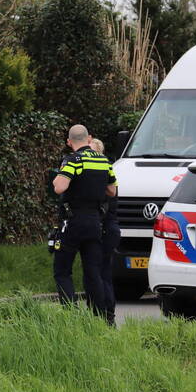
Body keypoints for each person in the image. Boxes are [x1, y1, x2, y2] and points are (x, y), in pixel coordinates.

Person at [52, 125, 116, 323]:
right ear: (89, 139)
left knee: (62, 271)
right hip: (95, 222)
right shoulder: (104, 161)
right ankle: (99, 317)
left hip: (73, 222)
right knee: (93, 272)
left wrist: (59, 176)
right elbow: (112, 191)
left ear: (69, 142)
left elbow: (59, 187)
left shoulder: (73, 160)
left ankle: (71, 316)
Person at [90, 138, 121, 318]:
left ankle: (105, 312)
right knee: (102, 271)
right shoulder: (108, 174)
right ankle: (104, 311)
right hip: (108, 228)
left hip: (105, 229)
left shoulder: (103, 176)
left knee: (100, 272)